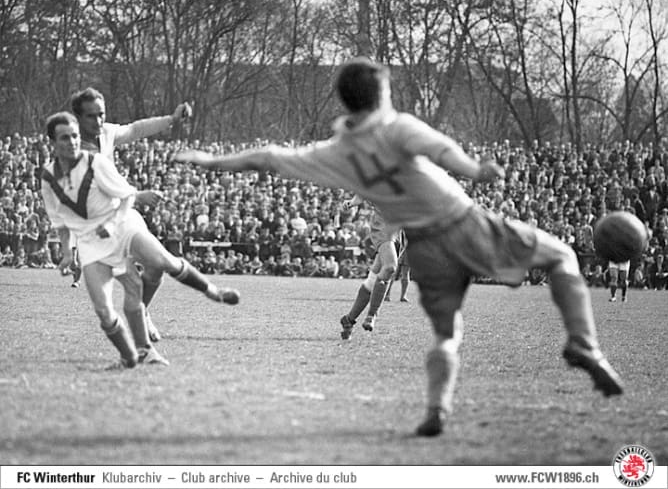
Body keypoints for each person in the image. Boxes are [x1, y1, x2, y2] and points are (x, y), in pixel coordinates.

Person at [175, 57, 623, 437]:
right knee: (562, 256)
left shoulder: (333, 153)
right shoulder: (397, 126)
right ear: (382, 93)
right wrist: (475, 168)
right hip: (463, 223)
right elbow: (443, 150)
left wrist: (212, 161)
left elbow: (268, 157)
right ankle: (583, 344)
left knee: (448, 333)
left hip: (425, 249)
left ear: (345, 101)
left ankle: (436, 410)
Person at [41, 112, 239, 368]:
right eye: (65, 138)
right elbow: (59, 220)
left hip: (121, 224)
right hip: (92, 243)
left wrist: (112, 224)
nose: (72, 142)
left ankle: (213, 292)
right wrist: (68, 253)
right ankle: (133, 355)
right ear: (53, 143)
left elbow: (127, 196)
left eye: (75, 136)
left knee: (160, 261)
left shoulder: (95, 162)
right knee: (104, 310)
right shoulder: (48, 177)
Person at [70, 87, 192, 342]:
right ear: (78, 118)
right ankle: (137, 336)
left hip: (122, 215)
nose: (98, 121)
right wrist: (138, 195)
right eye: (91, 116)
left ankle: (142, 311)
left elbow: (135, 129)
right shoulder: (72, 151)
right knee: (133, 280)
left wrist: (171, 119)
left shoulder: (105, 133)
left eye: (101, 114)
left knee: (156, 267)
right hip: (99, 227)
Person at [339, 195, 404, 339]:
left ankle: (348, 320)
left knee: (373, 280)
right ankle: (372, 315)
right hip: (383, 224)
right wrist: (352, 203)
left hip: (400, 229)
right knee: (390, 267)